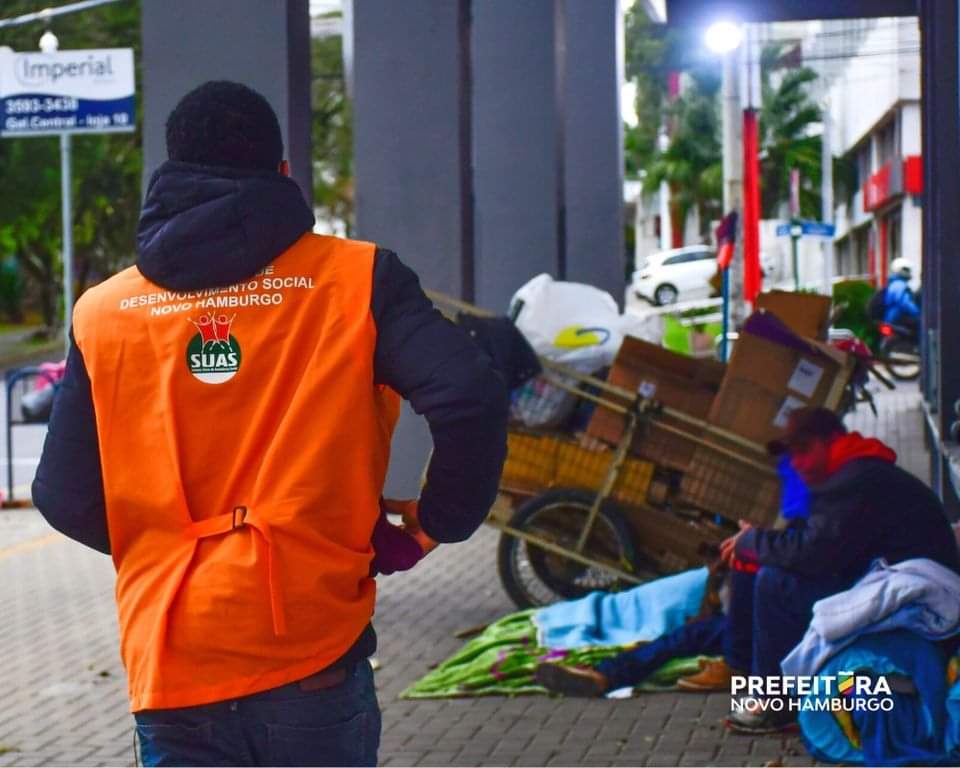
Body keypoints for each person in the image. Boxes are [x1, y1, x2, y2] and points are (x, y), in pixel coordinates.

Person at [32, 81, 508, 767]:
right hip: (308, 654)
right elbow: (469, 395)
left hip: (172, 660)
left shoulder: (102, 314)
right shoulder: (357, 279)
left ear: (169, 177)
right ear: (283, 175)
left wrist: (168, 548)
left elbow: (63, 495)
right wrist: (441, 520)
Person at [721, 406, 960, 734]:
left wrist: (755, 542)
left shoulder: (854, 479)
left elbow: (815, 553)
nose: (799, 463)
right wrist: (755, 543)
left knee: (774, 584)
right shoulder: (851, 472)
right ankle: (748, 676)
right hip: (886, 577)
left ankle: (774, 703)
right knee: (759, 567)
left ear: (830, 442)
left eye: (805, 451)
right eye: (793, 455)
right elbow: (816, 542)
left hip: (918, 597)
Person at [882, 257, 920, 335]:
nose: (908, 272)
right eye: (906, 270)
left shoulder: (894, 284)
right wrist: (917, 312)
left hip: (892, 319)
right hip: (897, 320)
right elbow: (904, 303)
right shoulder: (899, 285)